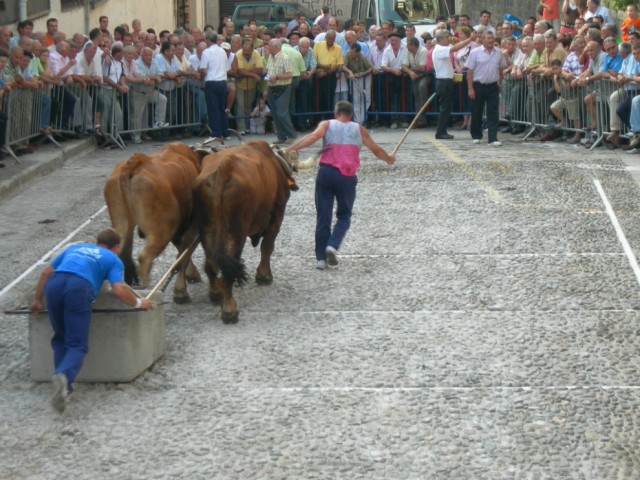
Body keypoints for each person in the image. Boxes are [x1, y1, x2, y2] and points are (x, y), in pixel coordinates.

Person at [29, 228, 152, 413]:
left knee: (60, 338)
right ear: (116, 247)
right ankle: (63, 375)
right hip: (79, 288)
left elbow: (46, 273)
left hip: (54, 285)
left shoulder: (74, 249)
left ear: (98, 242)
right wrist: (138, 303)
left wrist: (38, 300)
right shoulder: (113, 259)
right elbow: (119, 289)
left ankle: (65, 390)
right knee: (77, 344)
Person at [283, 100, 395, 270]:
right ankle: (332, 246)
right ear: (351, 115)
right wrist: (388, 158)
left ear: (336, 114)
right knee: (344, 216)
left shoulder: (327, 124)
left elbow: (311, 138)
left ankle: (320, 259)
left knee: (323, 217)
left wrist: (289, 149)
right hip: (347, 178)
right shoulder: (359, 129)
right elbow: (376, 150)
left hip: (326, 174)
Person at [432, 29, 475, 139]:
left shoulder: (441, 48)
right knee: (444, 108)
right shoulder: (440, 49)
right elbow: (455, 48)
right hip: (443, 81)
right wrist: (470, 39)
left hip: (446, 80)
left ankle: (442, 130)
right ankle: (441, 131)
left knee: (446, 108)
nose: (449, 39)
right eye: (447, 37)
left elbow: (454, 45)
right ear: (440, 39)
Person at [466, 31, 507, 146]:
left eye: (492, 38)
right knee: (477, 111)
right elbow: (469, 71)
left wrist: (500, 82)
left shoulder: (498, 52)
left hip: (493, 85)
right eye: (488, 38)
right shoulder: (475, 53)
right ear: (483, 40)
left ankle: (493, 138)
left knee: (493, 112)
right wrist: (470, 88)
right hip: (478, 85)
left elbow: (500, 68)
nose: (490, 40)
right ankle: (476, 135)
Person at [199, 31, 229, 140]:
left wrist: (201, 75)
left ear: (207, 40)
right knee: (222, 108)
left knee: (213, 108)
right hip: (222, 81)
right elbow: (226, 68)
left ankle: (216, 132)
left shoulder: (206, 52)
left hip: (211, 81)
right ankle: (225, 131)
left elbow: (204, 70)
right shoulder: (223, 51)